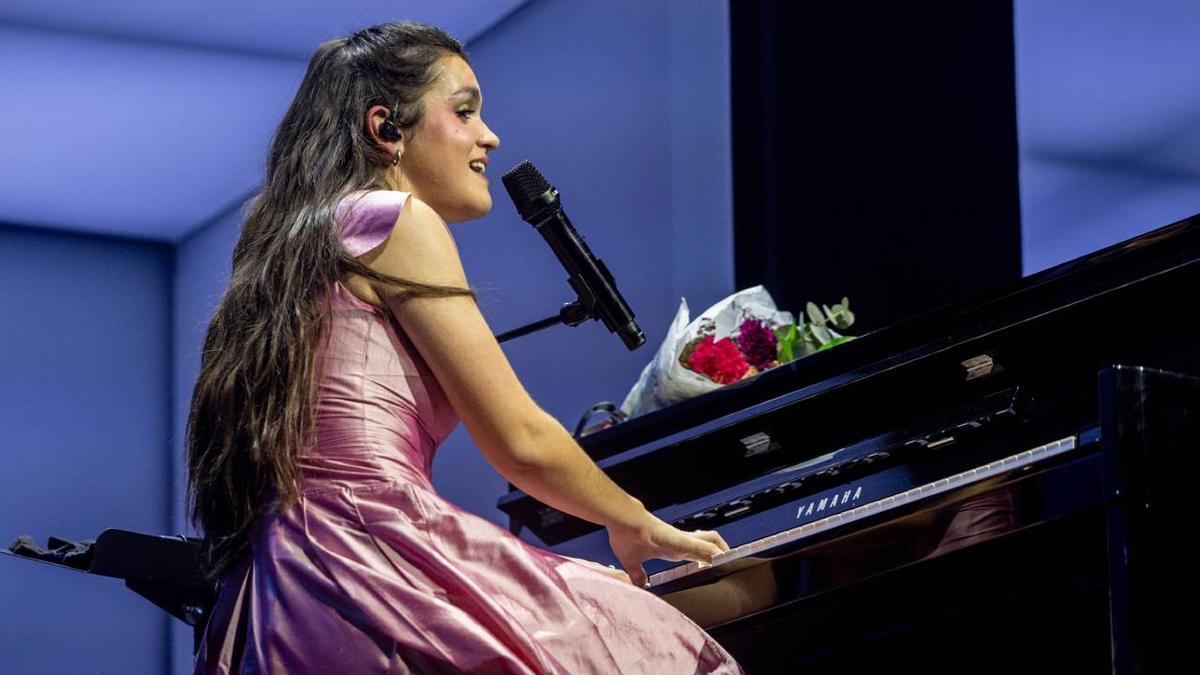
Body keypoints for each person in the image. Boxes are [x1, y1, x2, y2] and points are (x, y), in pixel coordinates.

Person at [186, 21, 742, 673]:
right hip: (369, 556)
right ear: (385, 128)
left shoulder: (296, 248)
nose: (490, 136)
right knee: (691, 625)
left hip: (283, 585)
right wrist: (635, 520)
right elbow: (520, 439)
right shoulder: (392, 218)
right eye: (465, 111)